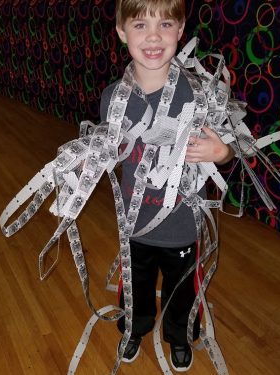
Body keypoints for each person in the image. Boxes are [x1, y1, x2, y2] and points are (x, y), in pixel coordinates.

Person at [99, 0, 234, 372]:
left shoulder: (198, 95)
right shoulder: (113, 98)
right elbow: (111, 156)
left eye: (166, 24)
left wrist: (221, 150)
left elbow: (229, 148)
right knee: (135, 286)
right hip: (135, 223)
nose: (154, 36)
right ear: (122, 31)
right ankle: (134, 329)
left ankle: (180, 336)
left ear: (181, 29)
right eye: (140, 25)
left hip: (181, 226)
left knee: (182, 292)